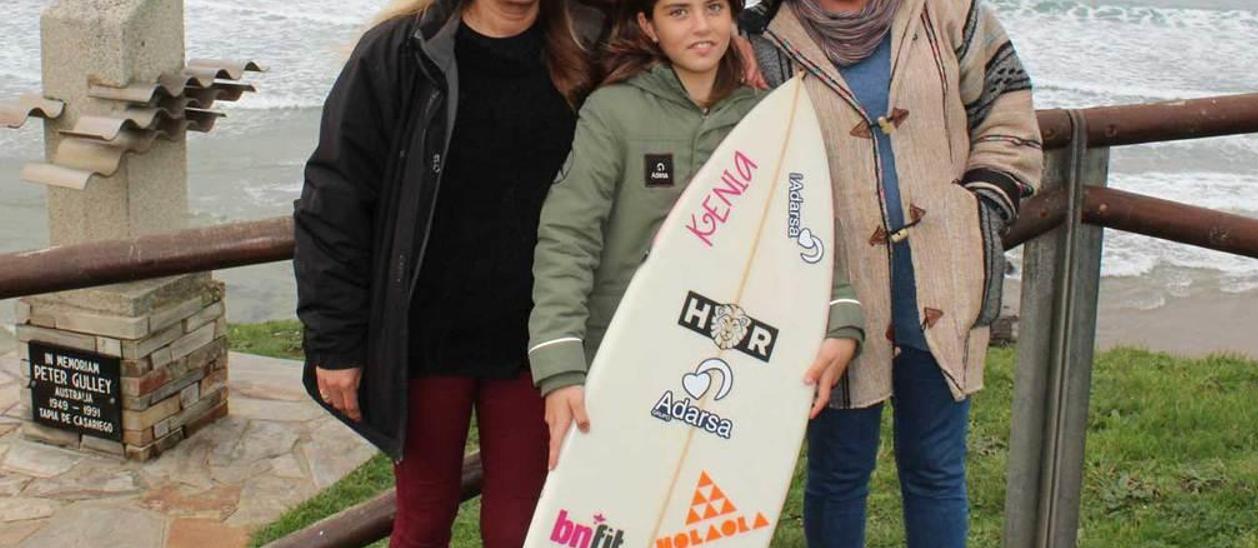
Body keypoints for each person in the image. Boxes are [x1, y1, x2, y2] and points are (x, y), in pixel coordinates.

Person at [292, 0, 603, 544]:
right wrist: (335, 341)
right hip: (426, 341)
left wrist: (740, 44)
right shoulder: (400, 52)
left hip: (533, 339)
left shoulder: (583, 48)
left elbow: (675, 39)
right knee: (424, 518)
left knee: (519, 528)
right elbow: (334, 197)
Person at [738, 0, 1044, 545]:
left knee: (935, 468)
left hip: (943, 279)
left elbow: (1006, 101)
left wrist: (980, 209)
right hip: (834, 292)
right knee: (838, 470)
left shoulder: (947, 11)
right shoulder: (764, 37)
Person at [526, 0, 868, 472]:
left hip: (727, 363)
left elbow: (804, 231)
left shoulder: (768, 119)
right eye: (679, 12)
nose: (702, 27)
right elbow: (568, 239)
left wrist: (840, 317)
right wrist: (561, 366)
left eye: (713, 8)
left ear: (734, 17)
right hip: (624, 359)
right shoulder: (614, 112)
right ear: (648, 25)